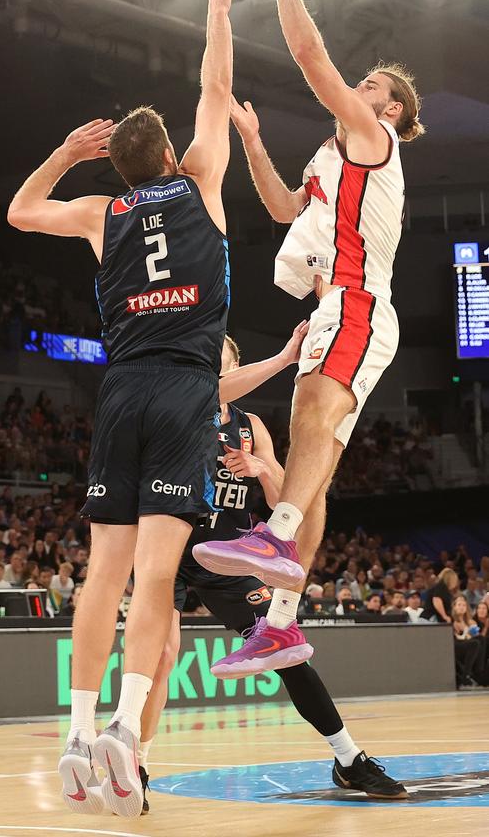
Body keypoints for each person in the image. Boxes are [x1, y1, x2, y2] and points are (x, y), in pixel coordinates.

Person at [9, 0, 234, 819]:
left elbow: (21, 213)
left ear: (119, 168)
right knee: (156, 576)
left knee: (102, 571)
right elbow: (216, 81)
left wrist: (65, 154)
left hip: (120, 391)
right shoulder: (204, 181)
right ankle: (128, 735)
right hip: (181, 391)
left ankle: (75, 730)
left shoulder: (101, 214)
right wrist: (216, 6)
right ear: (171, 156)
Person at [193, 0, 424, 672]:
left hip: (355, 301)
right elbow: (282, 208)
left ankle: (275, 535)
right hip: (342, 309)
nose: (359, 90)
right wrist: (255, 143)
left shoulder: (371, 139)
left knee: (307, 423)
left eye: (372, 88)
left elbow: (310, 57)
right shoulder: (330, 158)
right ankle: (284, 622)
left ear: (391, 112)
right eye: (364, 87)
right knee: (311, 460)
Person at [137, 335, 406, 811]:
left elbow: (289, 497)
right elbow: (213, 388)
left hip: (229, 556)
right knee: (162, 653)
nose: (205, 356)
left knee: (287, 649)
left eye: (216, 351)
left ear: (237, 362)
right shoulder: (185, 400)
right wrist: (285, 358)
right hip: (172, 549)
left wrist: (262, 465)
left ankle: (348, 758)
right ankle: (137, 763)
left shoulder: (251, 425)